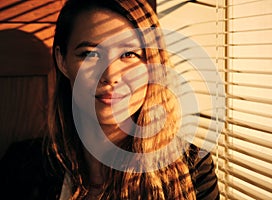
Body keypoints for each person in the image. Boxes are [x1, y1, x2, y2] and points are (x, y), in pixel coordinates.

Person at [0, 0, 219, 199]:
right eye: (90, 54)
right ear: (62, 61)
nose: (111, 75)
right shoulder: (21, 167)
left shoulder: (192, 170)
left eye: (129, 54)